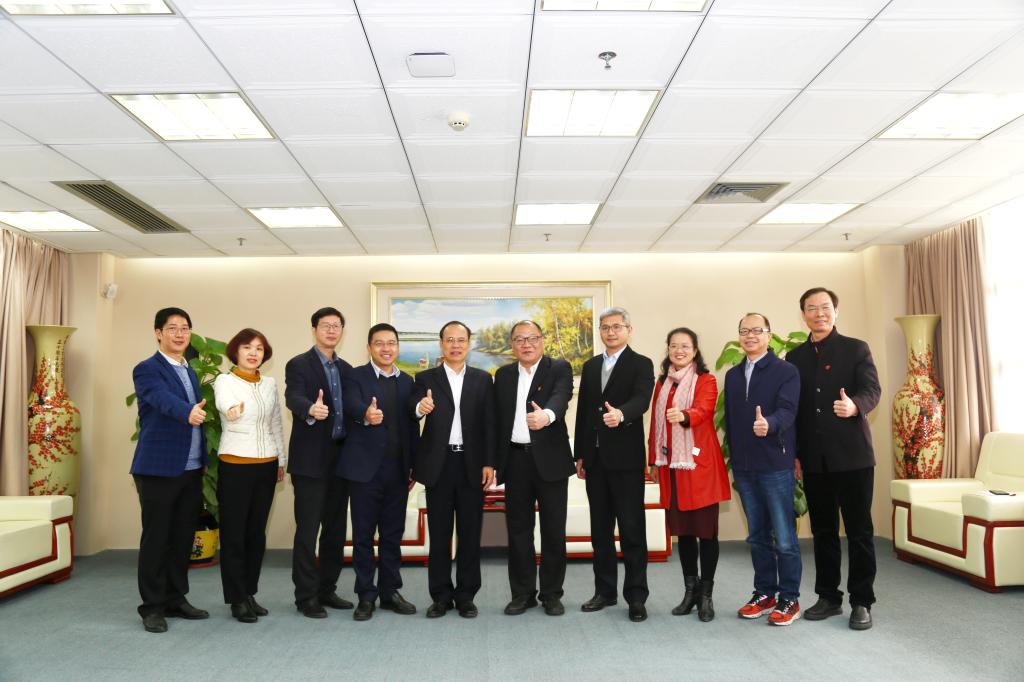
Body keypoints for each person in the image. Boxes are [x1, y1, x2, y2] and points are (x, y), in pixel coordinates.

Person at [787, 287, 881, 631]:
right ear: (803, 315)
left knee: (859, 532)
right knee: (823, 531)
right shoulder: (794, 357)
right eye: (811, 308)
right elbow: (794, 410)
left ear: (835, 311)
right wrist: (795, 454)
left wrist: (855, 405)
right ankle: (828, 596)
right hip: (814, 460)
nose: (819, 314)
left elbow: (872, 390)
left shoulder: (856, 348)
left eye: (825, 307)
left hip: (853, 457)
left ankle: (861, 601)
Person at [129, 307, 210, 634]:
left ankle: (176, 598)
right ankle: (152, 607)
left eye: (185, 328)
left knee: (181, 538)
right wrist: (186, 411)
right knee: (157, 538)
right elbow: (160, 398)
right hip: (159, 468)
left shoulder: (189, 369)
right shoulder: (147, 369)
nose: (180, 334)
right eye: (172, 328)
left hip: (190, 468)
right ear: (158, 333)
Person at [574, 306, 655, 622]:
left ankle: (636, 597)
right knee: (600, 531)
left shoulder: (641, 364)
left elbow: (642, 399)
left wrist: (621, 414)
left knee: (632, 530)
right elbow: (583, 413)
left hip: (626, 461)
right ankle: (604, 592)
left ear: (628, 330)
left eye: (617, 326)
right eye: (605, 327)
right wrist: (580, 454)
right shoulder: (591, 366)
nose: (610, 332)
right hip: (595, 462)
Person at [411, 320, 496, 619]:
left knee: (470, 534)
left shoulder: (483, 379)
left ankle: (466, 596)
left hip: (472, 465)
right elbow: (412, 409)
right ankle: (441, 596)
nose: (455, 345)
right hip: (439, 465)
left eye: (461, 340)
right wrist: (420, 408)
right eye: (450, 340)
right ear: (441, 344)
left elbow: (490, 424)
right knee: (440, 534)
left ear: (469, 344)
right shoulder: (425, 378)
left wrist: (489, 462)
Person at [647, 327, 731, 622]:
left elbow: (704, 410)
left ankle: (706, 596)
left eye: (685, 346)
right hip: (671, 468)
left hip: (699, 468)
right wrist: (653, 461)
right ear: (668, 350)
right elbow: (655, 423)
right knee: (683, 533)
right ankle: (690, 592)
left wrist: (684, 415)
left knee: (706, 533)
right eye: (674, 346)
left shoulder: (706, 380)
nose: (679, 351)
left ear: (695, 351)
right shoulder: (662, 382)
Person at [724, 312, 802, 626]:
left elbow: (788, 411)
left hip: (775, 465)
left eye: (757, 330)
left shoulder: (786, 371)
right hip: (745, 467)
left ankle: (790, 598)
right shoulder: (732, 375)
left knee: (784, 537)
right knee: (757, 537)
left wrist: (768, 423)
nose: (750, 336)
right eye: (744, 331)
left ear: (769, 335)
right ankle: (765, 593)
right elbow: (731, 422)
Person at [338, 323, 419, 622]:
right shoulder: (355, 375)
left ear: (397, 347)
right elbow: (350, 403)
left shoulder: (407, 381)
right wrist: (365, 413)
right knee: (363, 536)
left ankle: (389, 591)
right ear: (369, 347)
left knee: (392, 535)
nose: (386, 348)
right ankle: (365, 595)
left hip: (397, 471)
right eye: (379, 343)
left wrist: (414, 464)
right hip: (365, 472)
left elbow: (412, 425)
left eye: (391, 343)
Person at [494, 320, 575, 617]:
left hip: (550, 460)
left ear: (542, 341)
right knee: (518, 530)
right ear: (512, 345)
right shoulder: (503, 375)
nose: (526, 344)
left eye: (532, 338)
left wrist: (548, 415)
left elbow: (562, 396)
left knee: (553, 530)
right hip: (515, 460)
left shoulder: (559, 368)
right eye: (519, 339)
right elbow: (496, 418)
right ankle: (523, 594)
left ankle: (552, 594)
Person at [212, 328, 286, 624]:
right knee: (234, 534)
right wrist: (231, 411)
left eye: (259, 348)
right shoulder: (224, 381)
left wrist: (281, 459)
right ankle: (236, 598)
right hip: (236, 464)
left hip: (266, 464)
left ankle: (249, 593)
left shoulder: (269, 384)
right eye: (247, 347)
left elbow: (276, 423)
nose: (253, 353)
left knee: (256, 534)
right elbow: (224, 403)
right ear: (236, 351)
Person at [284, 307, 353, 618]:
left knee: (335, 531)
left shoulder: (347, 369)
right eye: (326, 325)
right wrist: (311, 409)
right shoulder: (299, 364)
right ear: (314, 330)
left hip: (341, 461)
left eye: (337, 326)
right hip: (310, 462)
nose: (331, 330)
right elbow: (293, 396)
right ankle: (306, 596)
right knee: (308, 531)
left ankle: (327, 589)